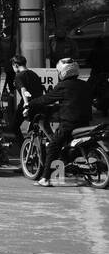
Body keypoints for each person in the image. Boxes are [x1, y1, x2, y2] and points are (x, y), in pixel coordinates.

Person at [30, 58, 92, 187]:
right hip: (85, 122)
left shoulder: (63, 85)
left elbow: (47, 99)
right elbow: (74, 101)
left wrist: (30, 103)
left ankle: (45, 178)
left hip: (70, 124)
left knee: (53, 146)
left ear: (63, 72)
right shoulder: (84, 84)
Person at [9, 54, 44, 135]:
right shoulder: (34, 74)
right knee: (33, 129)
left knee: (14, 127)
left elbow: (23, 89)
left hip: (26, 103)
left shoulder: (19, 76)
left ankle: (22, 145)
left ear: (16, 65)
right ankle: (30, 145)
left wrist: (26, 104)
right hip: (38, 103)